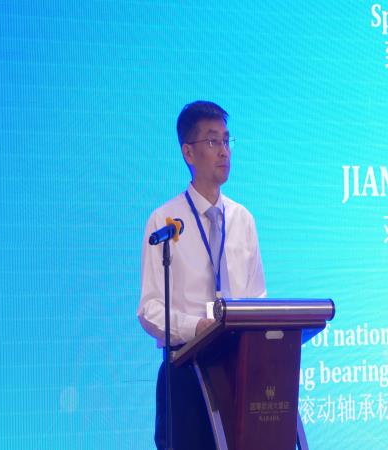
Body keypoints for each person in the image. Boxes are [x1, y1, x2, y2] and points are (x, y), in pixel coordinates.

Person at [137, 100, 266, 449]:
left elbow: (258, 299)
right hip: (186, 374)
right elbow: (149, 310)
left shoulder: (243, 220)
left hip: (237, 372)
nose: (224, 151)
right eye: (212, 141)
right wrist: (196, 328)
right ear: (188, 153)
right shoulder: (164, 222)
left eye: (226, 140)